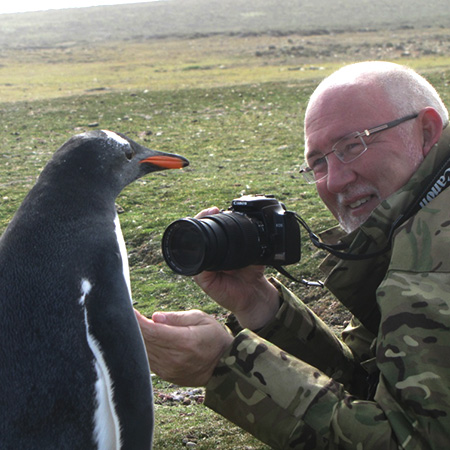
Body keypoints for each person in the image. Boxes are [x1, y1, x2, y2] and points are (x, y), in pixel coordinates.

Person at [135, 61, 450, 449]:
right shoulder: (413, 229)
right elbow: (376, 387)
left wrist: (224, 365)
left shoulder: (431, 267)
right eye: (318, 162)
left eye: (353, 146)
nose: (334, 180)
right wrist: (264, 308)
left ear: (427, 131)